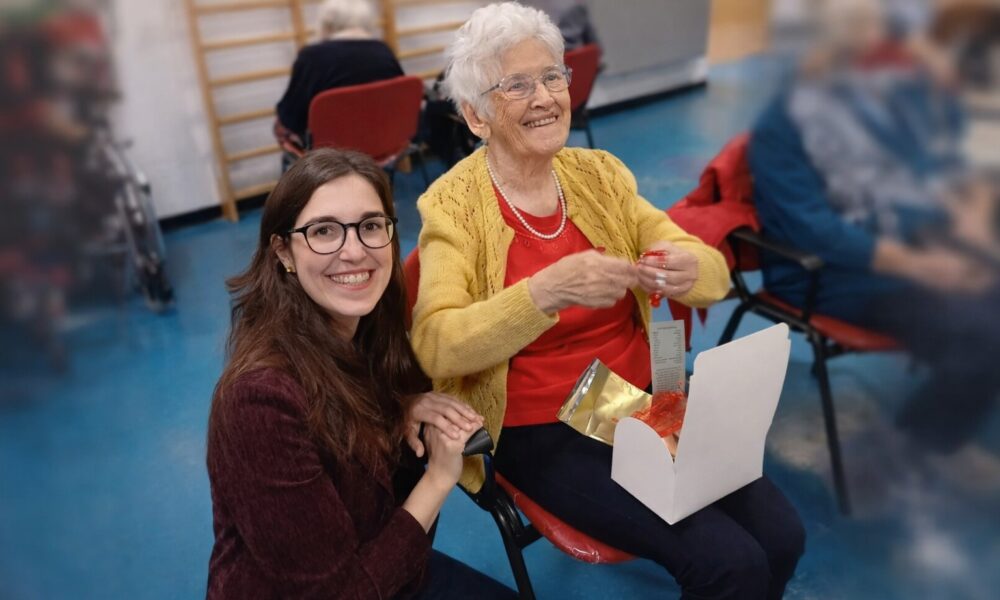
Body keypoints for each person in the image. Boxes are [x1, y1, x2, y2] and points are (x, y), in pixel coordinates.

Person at [410, 4, 806, 599]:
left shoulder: (599, 174)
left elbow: (715, 275)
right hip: (542, 423)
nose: (544, 96)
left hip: (644, 398)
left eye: (552, 76)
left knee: (781, 536)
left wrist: (687, 266)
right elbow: (437, 345)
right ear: (475, 114)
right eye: (515, 85)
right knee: (728, 564)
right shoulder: (453, 206)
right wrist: (543, 293)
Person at [205, 148, 515, 599]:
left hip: (387, 566)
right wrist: (439, 477)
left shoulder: (371, 329)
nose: (355, 252)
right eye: (324, 231)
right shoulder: (258, 402)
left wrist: (401, 404)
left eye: (371, 226)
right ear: (283, 251)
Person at [749, 0, 1000, 453]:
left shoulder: (887, 99)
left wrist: (966, 222)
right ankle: (918, 448)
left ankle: (955, 412)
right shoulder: (783, 123)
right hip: (833, 276)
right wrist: (922, 267)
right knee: (981, 332)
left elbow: (928, 171)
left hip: (911, 247)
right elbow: (814, 230)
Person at [273, 0, 403, 154]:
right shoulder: (383, 50)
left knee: (281, 126)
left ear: (326, 23)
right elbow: (400, 103)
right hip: (384, 144)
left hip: (331, 155)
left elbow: (291, 118)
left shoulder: (311, 57)